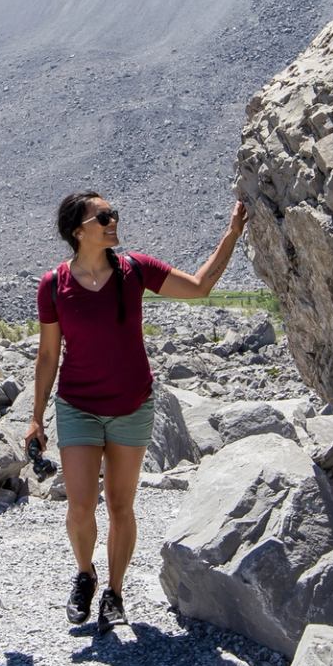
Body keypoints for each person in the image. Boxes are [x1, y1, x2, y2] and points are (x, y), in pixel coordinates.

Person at [26, 191, 247, 632]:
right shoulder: (53, 285)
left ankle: (115, 592)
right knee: (80, 507)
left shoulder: (135, 270)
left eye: (114, 214)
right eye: (103, 216)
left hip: (131, 406)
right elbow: (48, 354)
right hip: (77, 406)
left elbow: (200, 288)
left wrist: (233, 233)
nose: (113, 221)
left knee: (121, 505)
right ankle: (85, 574)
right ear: (78, 230)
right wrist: (35, 416)